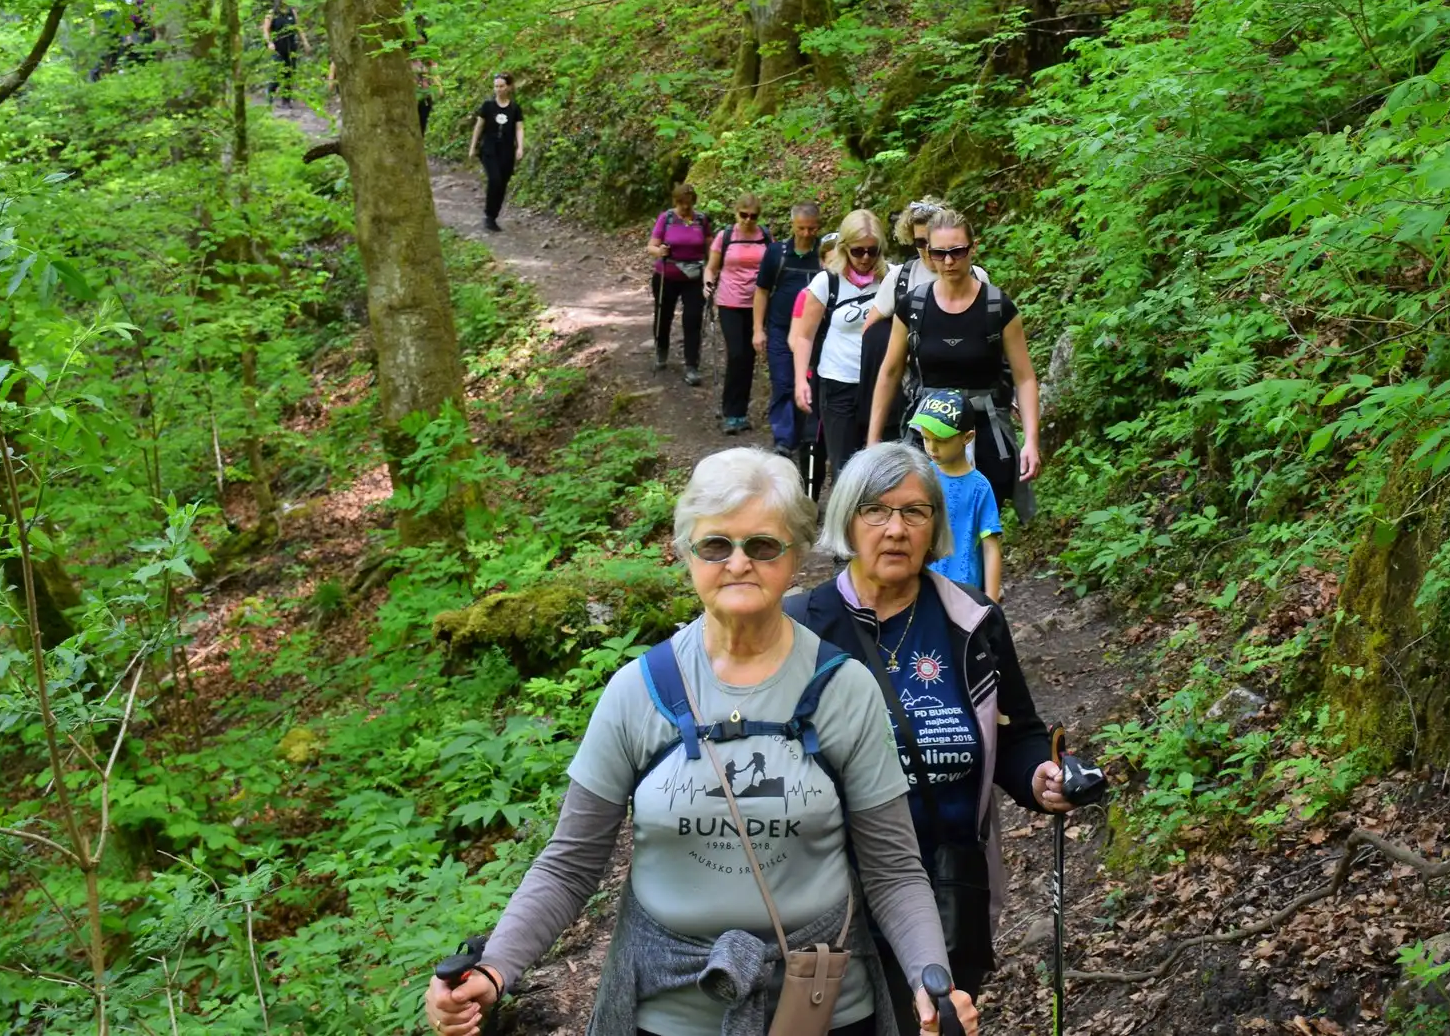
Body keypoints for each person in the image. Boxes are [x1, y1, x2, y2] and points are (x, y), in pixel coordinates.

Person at [423, 449, 979, 1036]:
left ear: (795, 555)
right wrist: (494, 969)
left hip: (824, 1008)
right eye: (715, 545)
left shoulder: (844, 689)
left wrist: (931, 983)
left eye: (762, 545)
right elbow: (570, 864)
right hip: (667, 1012)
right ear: (686, 554)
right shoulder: (637, 691)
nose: (738, 563)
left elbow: (893, 869)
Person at [784, 442, 1072, 1015]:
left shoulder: (973, 621)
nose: (896, 529)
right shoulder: (799, 628)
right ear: (847, 519)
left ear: (935, 524)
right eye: (876, 510)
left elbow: (1017, 733)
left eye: (914, 511)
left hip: (946, 888)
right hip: (824, 895)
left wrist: (1041, 776)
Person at [866, 210, 1040, 526]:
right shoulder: (913, 307)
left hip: (986, 432)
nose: (948, 261)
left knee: (981, 526)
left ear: (973, 249)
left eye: (957, 251)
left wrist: (1031, 440)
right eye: (939, 253)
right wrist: (873, 440)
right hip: (928, 434)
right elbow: (890, 372)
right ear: (928, 253)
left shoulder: (997, 307)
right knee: (926, 522)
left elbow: (1024, 377)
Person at [858, 201, 991, 444]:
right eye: (920, 242)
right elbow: (872, 333)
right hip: (912, 393)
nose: (928, 250)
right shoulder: (900, 279)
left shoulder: (976, 276)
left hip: (968, 391)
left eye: (933, 242)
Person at [790, 211, 886, 485]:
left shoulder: (891, 278)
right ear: (845, 248)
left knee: (880, 465)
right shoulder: (827, 282)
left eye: (872, 251)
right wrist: (800, 380)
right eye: (858, 251)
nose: (865, 258)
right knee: (844, 466)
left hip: (880, 383)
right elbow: (804, 336)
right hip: (838, 382)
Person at [908, 390, 1002, 601]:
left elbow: (990, 547)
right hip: (922, 586)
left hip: (963, 590)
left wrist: (992, 601)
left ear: (967, 437)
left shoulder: (979, 487)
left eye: (940, 440)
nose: (931, 448)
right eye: (926, 438)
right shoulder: (922, 477)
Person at [754, 201, 824, 463]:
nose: (806, 234)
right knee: (783, 382)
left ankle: (808, 436)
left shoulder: (825, 254)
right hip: (780, 329)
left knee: (810, 382)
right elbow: (762, 291)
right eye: (801, 228)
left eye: (812, 228)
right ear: (793, 225)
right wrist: (757, 329)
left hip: (815, 333)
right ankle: (784, 440)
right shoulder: (777, 253)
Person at [705, 194, 770, 435]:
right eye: (744, 215)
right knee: (736, 354)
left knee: (749, 357)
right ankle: (730, 412)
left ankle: (740, 413)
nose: (748, 220)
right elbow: (711, 268)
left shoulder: (764, 236)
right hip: (729, 302)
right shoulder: (725, 236)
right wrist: (707, 284)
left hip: (758, 304)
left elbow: (774, 264)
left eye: (753, 216)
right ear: (736, 213)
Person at [649, 182, 712, 385]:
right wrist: (660, 251)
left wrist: (712, 270)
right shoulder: (666, 218)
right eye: (682, 203)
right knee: (663, 315)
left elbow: (710, 248)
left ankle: (692, 365)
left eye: (689, 203)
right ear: (675, 201)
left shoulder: (701, 220)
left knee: (693, 319)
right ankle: (661, 349)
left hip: (694, 278)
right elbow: (651, 246)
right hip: (666, 276)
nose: (685, 207)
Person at [466, 72, 525, 232]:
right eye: (496, 86)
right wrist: (473, 147)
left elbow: (519, 128)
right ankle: (489, 216)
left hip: (507, 150)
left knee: (502, 183)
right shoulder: (488, 106)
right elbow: (479, 127)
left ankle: (494, 215)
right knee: (495, 180)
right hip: (489, 149)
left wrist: (520, 147)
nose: (498, 89)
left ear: (509, 87)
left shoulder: (515, 108)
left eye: (501, 86)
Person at [260, 0, 308, 105]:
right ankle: (270, 93)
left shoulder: (292, 11)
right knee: (278, 72)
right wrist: (269, 42)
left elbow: (298, 27)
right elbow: (265, 30)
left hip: (291, 46)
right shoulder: (272, 13)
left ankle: (286, 101)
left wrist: (305, 42)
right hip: (277, 46)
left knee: (289, 73)